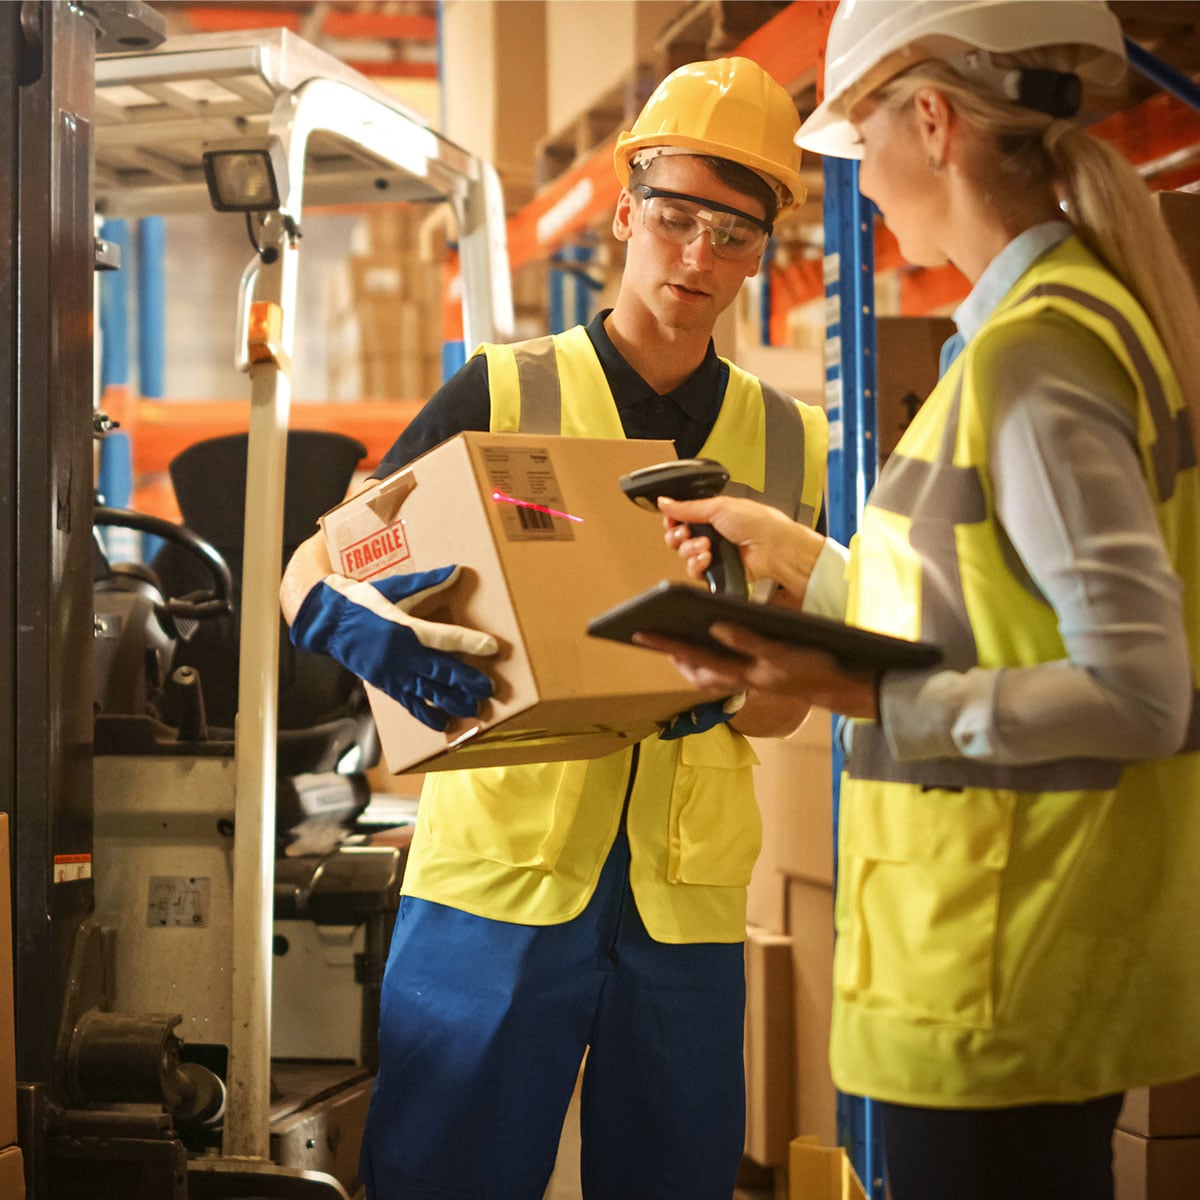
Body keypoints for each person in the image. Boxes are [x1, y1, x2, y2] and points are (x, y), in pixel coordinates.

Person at [639, 4, 1200, 1199]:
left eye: (862, 136)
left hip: (1002, 966)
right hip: (993, 952)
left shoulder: (1036, 357)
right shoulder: (1039, 335)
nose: (868, 185)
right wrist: (786, 549)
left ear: (933, 123)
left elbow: (1139, 693)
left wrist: (857, 688)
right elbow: (975, 611)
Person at [279, 57, 829, 1200]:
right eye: (675, 218)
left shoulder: (789, 444)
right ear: (626, 210)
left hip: (683, 903)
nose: (697, 259)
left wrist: (730, 679)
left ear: (763, 250)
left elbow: (782, 711)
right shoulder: (503, 390)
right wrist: (361, 627)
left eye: (734, 236)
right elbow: (312, 564)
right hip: (496, 891)